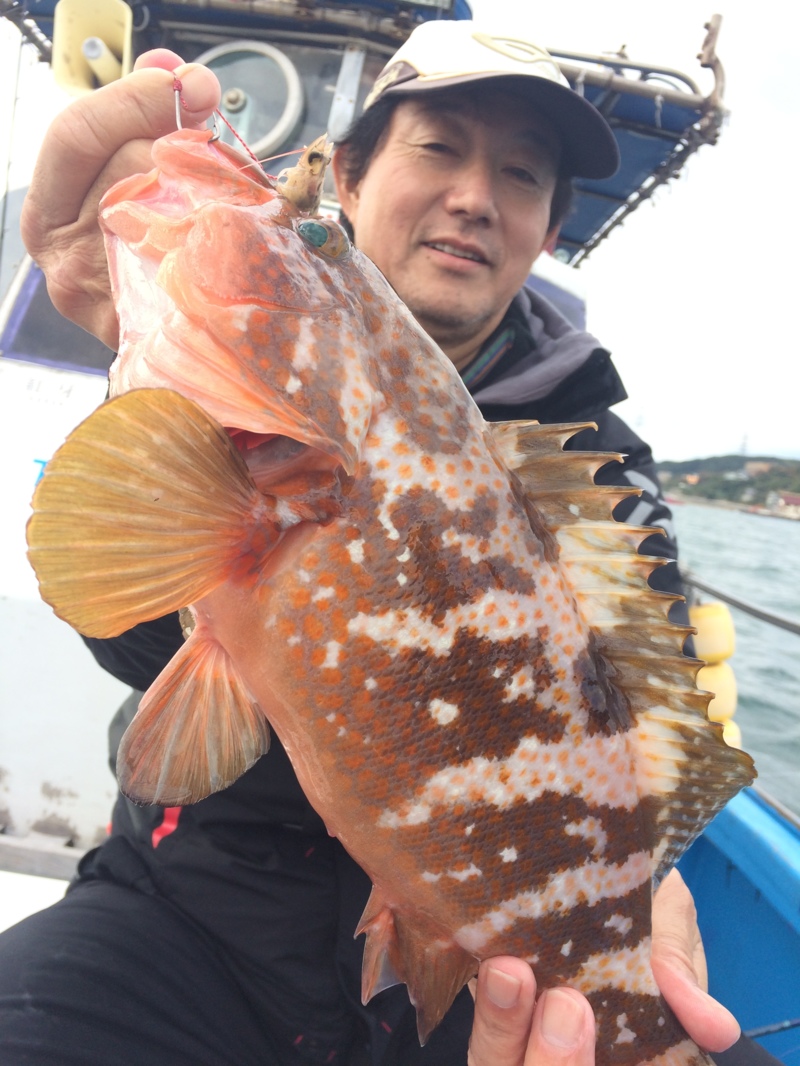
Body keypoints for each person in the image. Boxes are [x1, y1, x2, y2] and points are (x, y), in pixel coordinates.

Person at [0, 19, 757, 1066]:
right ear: (350, 178)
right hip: (195, 910)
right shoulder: (273, 414)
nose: (474, 196)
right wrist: (137, 357)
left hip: (459, 992)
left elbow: (631, 741)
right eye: (439, 146)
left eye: (521, 175)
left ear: (545, 233)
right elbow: (142, 662)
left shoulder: (603, 463)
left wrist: (645, 887)